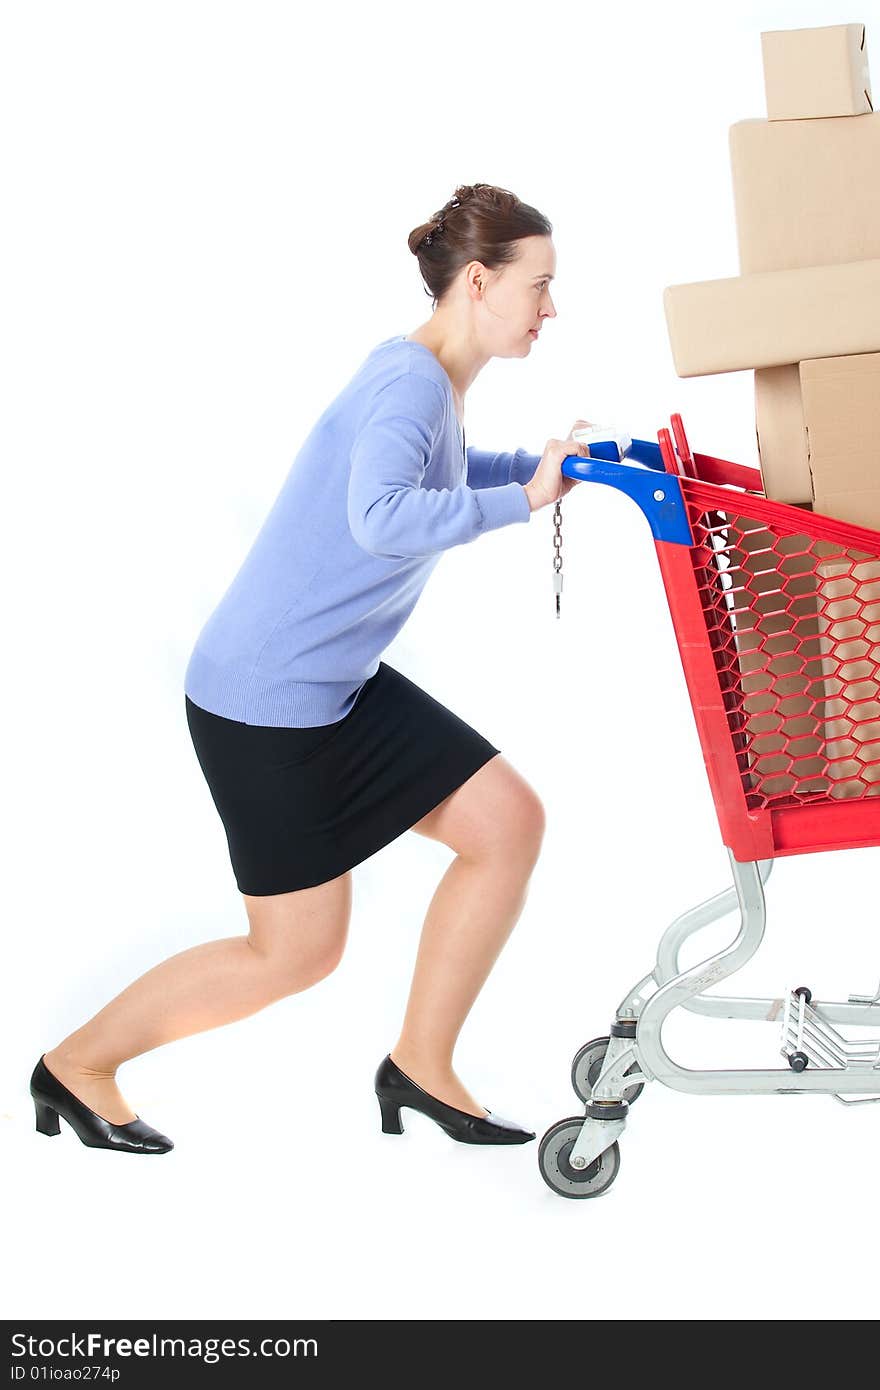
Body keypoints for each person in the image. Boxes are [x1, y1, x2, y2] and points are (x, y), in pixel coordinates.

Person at [30, 181, 590, 1154]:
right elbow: (380, 517)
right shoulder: (410, 381)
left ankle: (421, 1065)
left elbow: (429, 474)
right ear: (476, 280)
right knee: (293, 954)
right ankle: (74, 1067)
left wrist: (534, 469)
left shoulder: (427, 380)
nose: (552, 307)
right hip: (267, 704)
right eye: (539, 286)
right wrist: (524, 502)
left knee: (505, 820)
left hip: (331, 686)